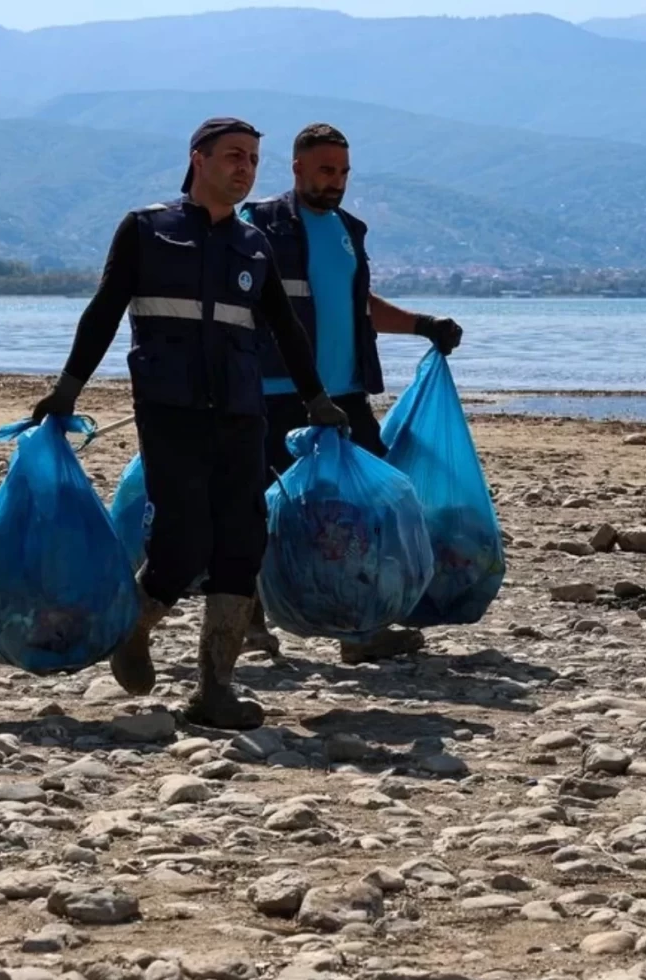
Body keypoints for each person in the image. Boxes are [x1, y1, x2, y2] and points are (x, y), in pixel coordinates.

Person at [30, 117, 349, 730]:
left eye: (254, 159)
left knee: (242, 544)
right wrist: (67, 391)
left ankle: (214, 689)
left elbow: (286, 329)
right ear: (197, 159)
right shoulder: (148, 230)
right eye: (234, 156)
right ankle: (136, 627)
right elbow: (102, 313)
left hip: (239, 414)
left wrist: (316, 399)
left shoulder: (254, 245)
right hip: (170, 411)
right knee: (181, 545)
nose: (245, 169)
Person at [241, 122, 463, 664]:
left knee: (372, 510)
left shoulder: (347, 230)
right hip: (276, 394)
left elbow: (357, 302)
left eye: (342, 171)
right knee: (258, 517)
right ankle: (249, 630)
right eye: (324, 170)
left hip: (344, 398)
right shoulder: (259, 225)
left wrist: (423, 324)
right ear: (296, 168)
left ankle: (360, 630)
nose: (335, 181)